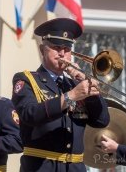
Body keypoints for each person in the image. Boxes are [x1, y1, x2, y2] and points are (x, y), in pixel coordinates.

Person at [11, 18, 110, 172]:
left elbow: (101, 121)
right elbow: (29, 115)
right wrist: (70, 96)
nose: (62, 53)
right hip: (41, 167)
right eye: (56, 47)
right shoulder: (27, 79)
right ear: (42, 50)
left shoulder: (74, 84)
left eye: (67, 49)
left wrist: (87, 84)